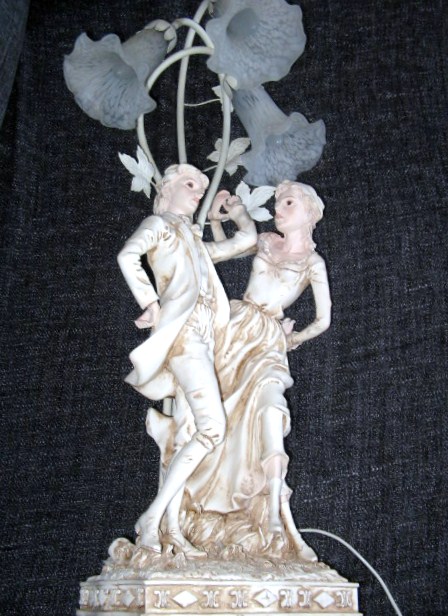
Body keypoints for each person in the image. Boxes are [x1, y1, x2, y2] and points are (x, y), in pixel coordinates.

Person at [179, 180, 332, 561]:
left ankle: (270, 513)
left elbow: (323, 319)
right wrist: (220, 217)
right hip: (233, 327)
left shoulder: (313, 263)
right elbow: (229, 248)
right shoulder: (264, 241)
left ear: (309, 211)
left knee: (269, 404)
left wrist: (294, 340)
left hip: (267, 340)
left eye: (288, 202)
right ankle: (202, 502)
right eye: (278, 202)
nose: (279, 209)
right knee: (217, 412)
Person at [117, 164, 257, 557]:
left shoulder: (195, 242)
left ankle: (171, 530)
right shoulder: (159, 225)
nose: (198, 193)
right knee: (213, 428)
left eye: (201, 187)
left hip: (204, 341)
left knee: (184, 435)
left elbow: (247, 240)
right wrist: (150, 302)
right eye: (191, 185)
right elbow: (128, 255)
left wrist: (233, 212)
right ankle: (152, 518)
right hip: (185, 339)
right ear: (168, 188)